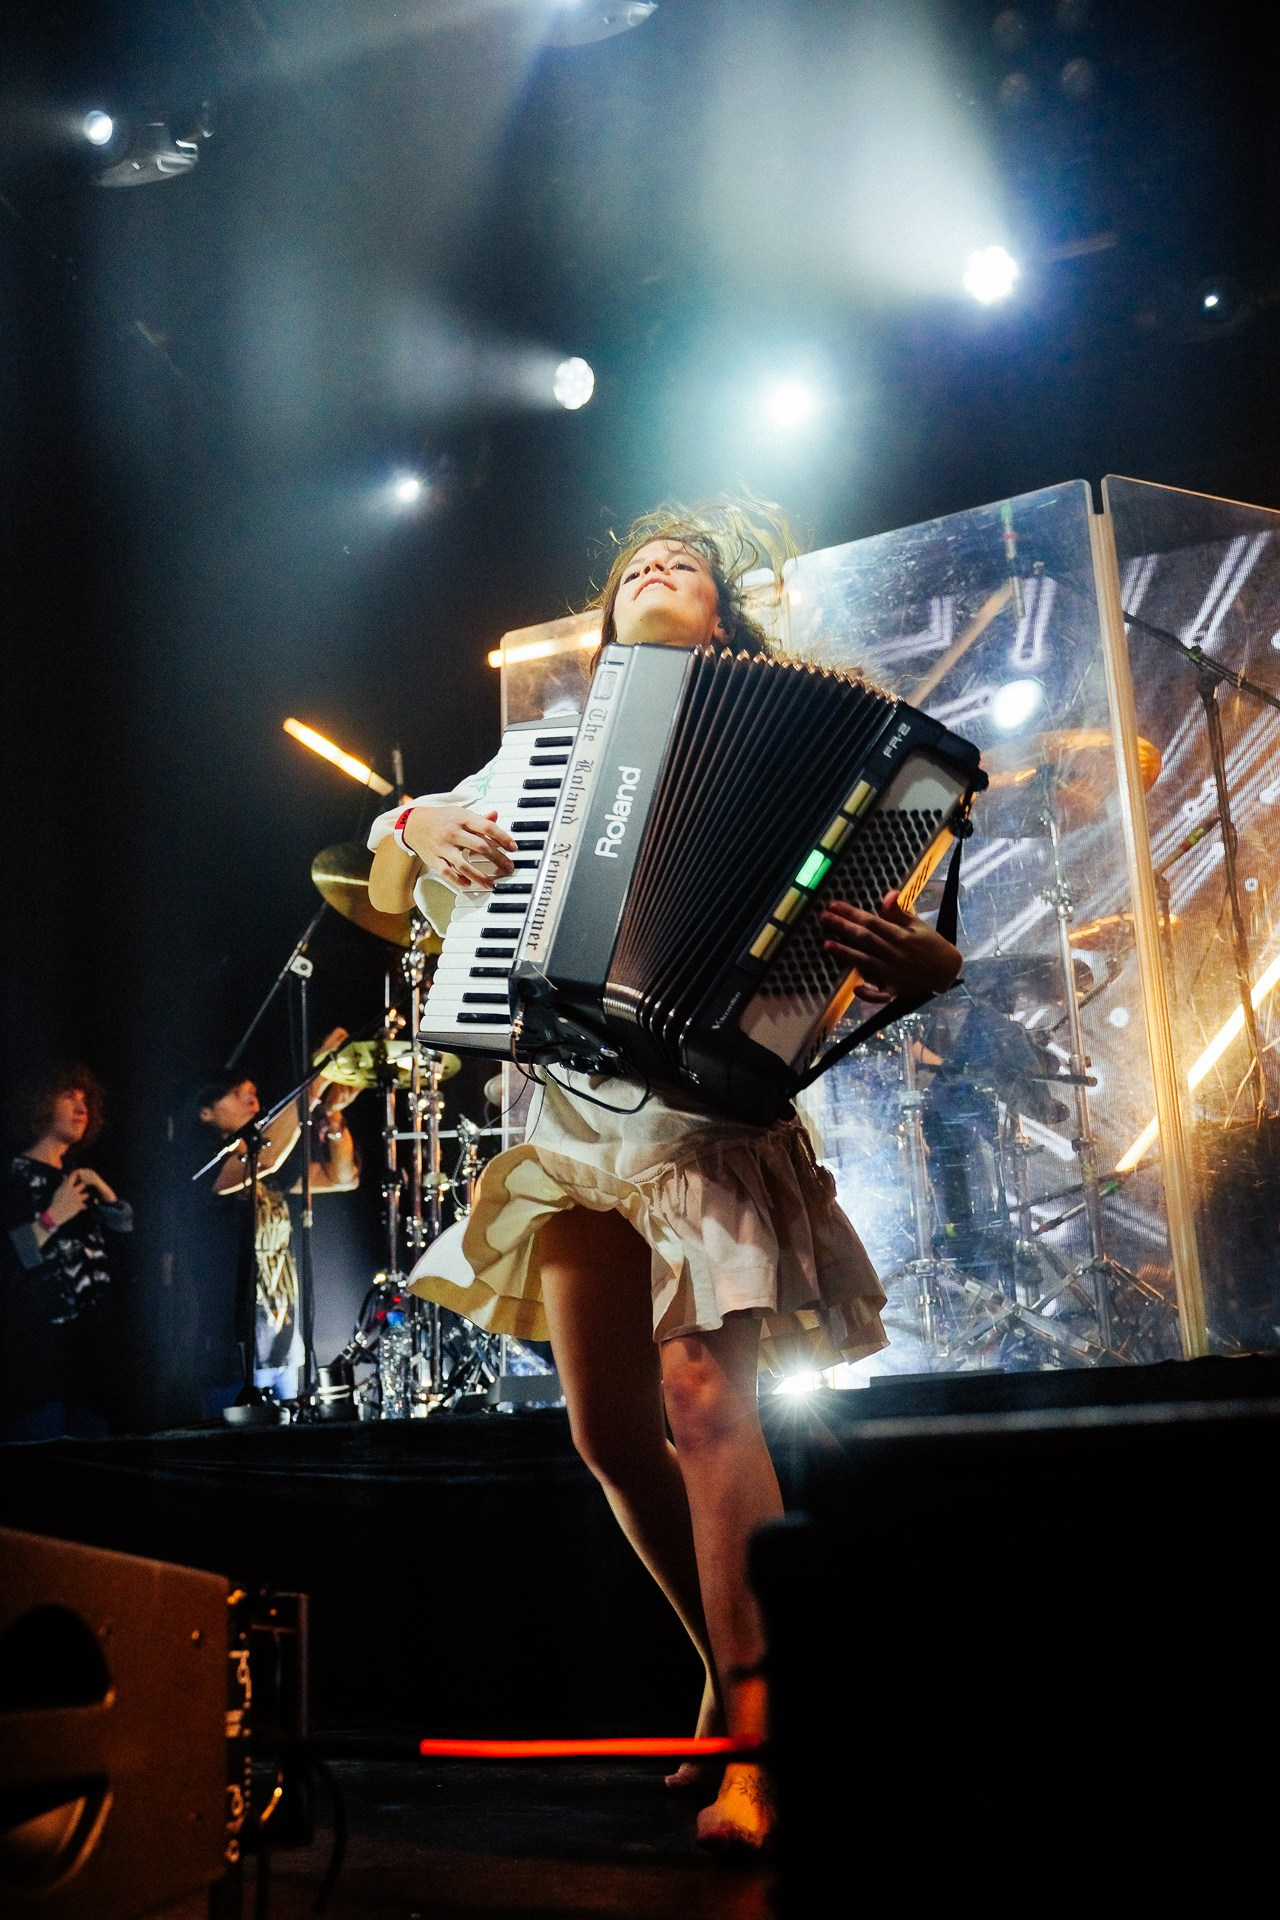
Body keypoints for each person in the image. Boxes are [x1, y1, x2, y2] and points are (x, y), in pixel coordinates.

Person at [367, 503, 964, 1848]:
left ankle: (759, 1737)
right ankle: (731, 1661)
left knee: (702, 1402)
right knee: (607, 1436)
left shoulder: (814, 740)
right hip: (579, 1127)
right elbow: (392, 873)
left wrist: (933, 964)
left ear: (722, 612)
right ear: (605, 613)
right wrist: (414, 824)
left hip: (705, 1122)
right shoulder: (539, 758)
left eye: (681, 564)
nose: (653, 569)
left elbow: (897, 922)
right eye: (633, 561)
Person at [191, 1029, 363, 1405]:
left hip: (283, 1340)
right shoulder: (199, 1166)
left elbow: (342, 1177)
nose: (251, 1097)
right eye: (237, 1093)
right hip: (232, 1350)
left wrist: (332, 1119)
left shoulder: (272, 1173)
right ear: (206, 1112)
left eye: (253, 1090)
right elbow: (264, 1158)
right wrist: (315, 1080)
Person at [3, 1064, 133, 1440]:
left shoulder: (79, 1181)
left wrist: (110, 1201)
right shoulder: (13, 1177)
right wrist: (51, 1219)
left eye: (85, 1100)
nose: (81, 1108)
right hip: (37, 1373)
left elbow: (119, 1268)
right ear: (41, 1104)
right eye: (68, 1097)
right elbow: (8, 1263)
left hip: (92, 1370)